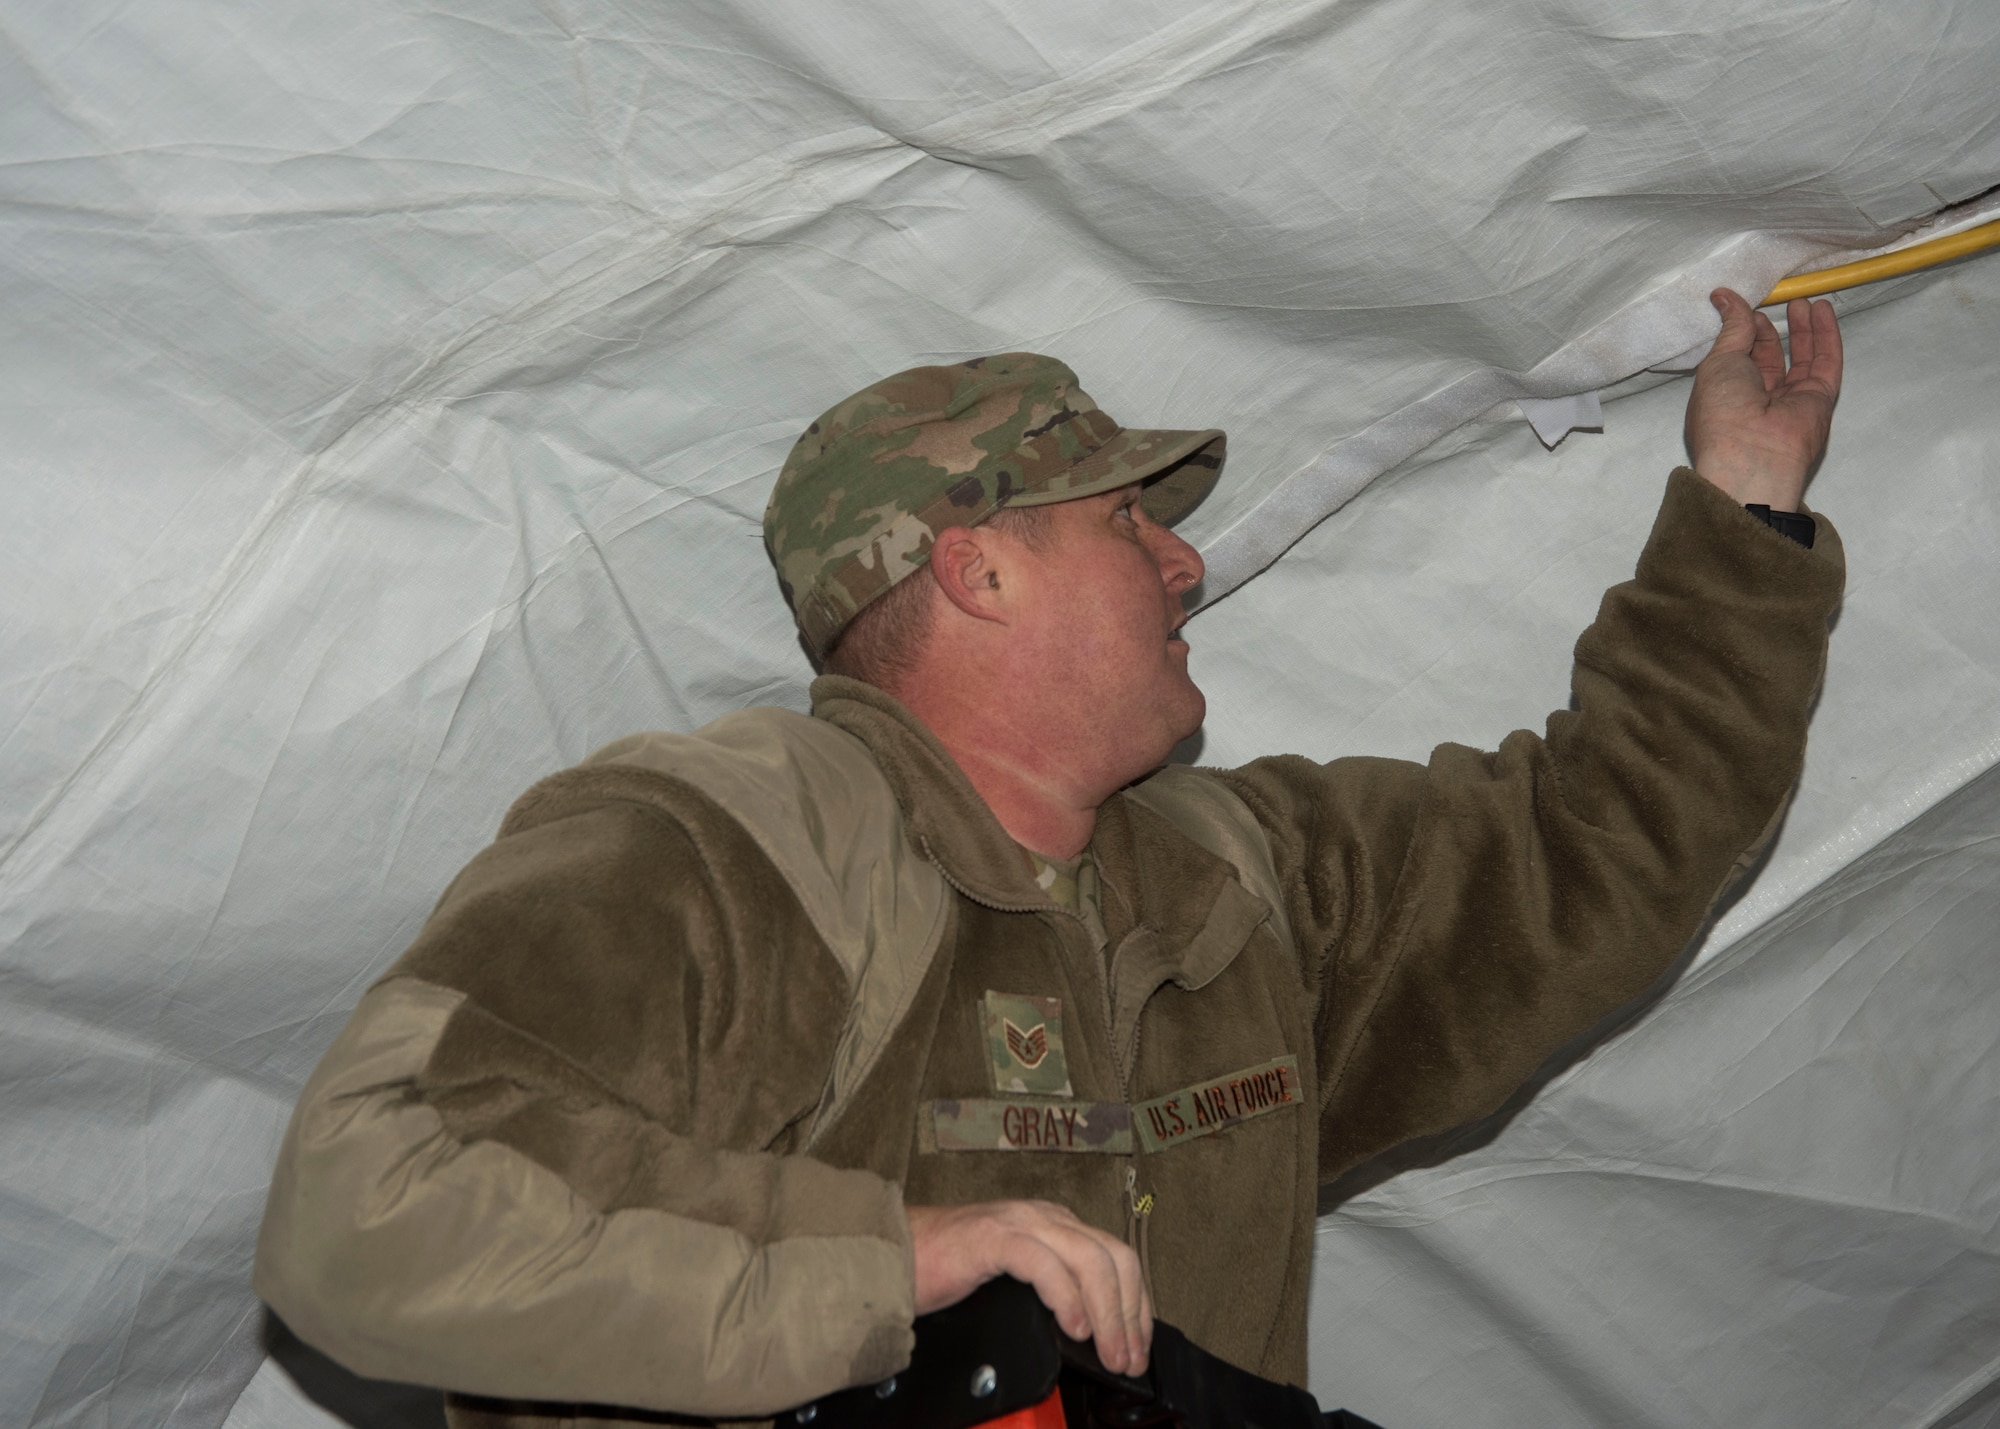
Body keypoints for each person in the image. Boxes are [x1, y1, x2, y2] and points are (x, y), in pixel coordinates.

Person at [254, 290, 1846, 1427]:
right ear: (979, 568)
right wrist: (898, 1261)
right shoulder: (729, 841)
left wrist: (1747, 502)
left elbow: (1601, 840)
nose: (1187, 556)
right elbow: (376, 1196)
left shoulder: (1238, 883)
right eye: (1127, 521)